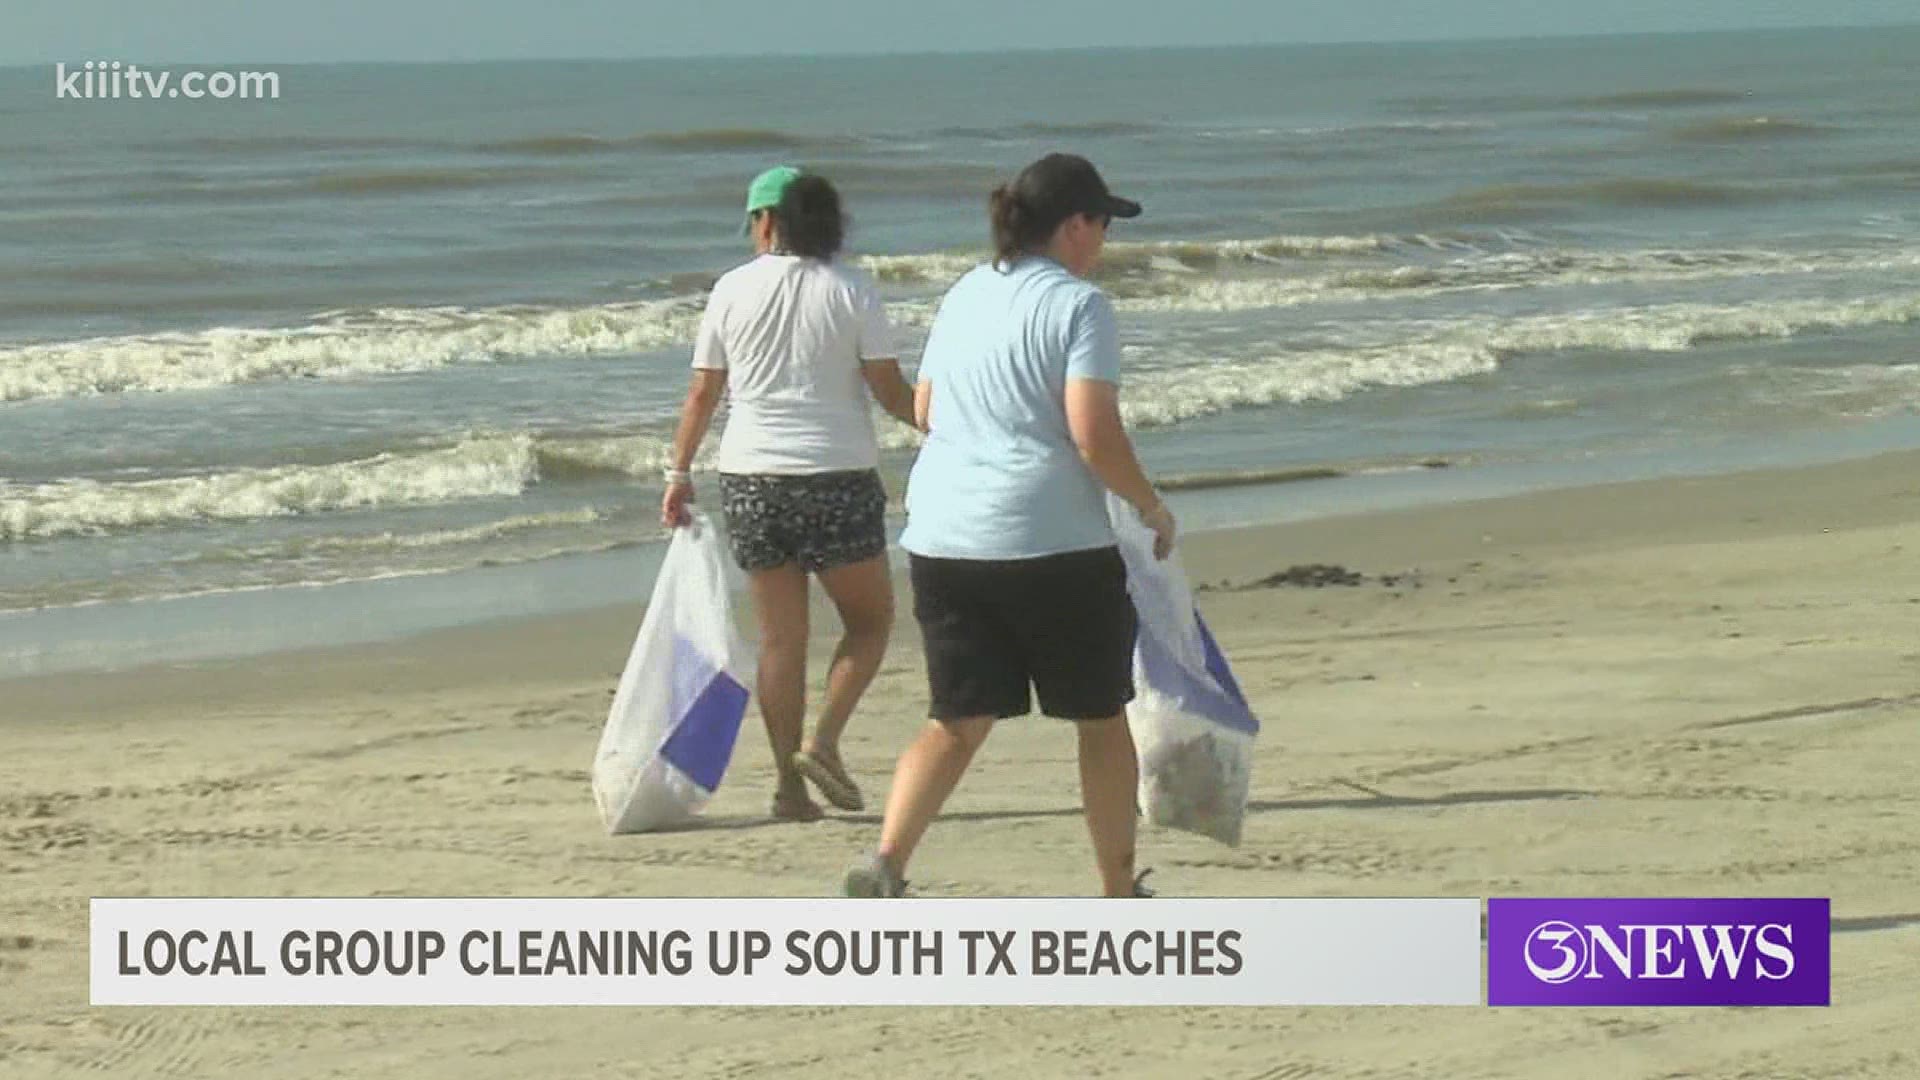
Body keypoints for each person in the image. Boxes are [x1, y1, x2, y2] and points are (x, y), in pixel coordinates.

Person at [844, 153, 1177, 898]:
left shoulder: (965, 293)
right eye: (1102, 226)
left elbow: (924, 409)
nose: (1104, 244)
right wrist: (1150, 506)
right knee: (1098, 717)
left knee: (958, 717)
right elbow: (1093, 433)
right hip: (1051, 541)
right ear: (1075, 226)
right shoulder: (1080, 307)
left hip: (945, 538)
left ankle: (887, 862)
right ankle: (1118, 887)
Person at [662, 165, 919, 823]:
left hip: (750, 479)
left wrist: (678, 474)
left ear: (768, 221)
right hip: (835, 475)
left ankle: (788, 789)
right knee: (869, 622)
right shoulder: (852, 289)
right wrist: (944, 423)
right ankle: (823, 740)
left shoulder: (730, 290)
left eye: (752, 220)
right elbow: (890, 390)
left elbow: (702, 393)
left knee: (781, 642)